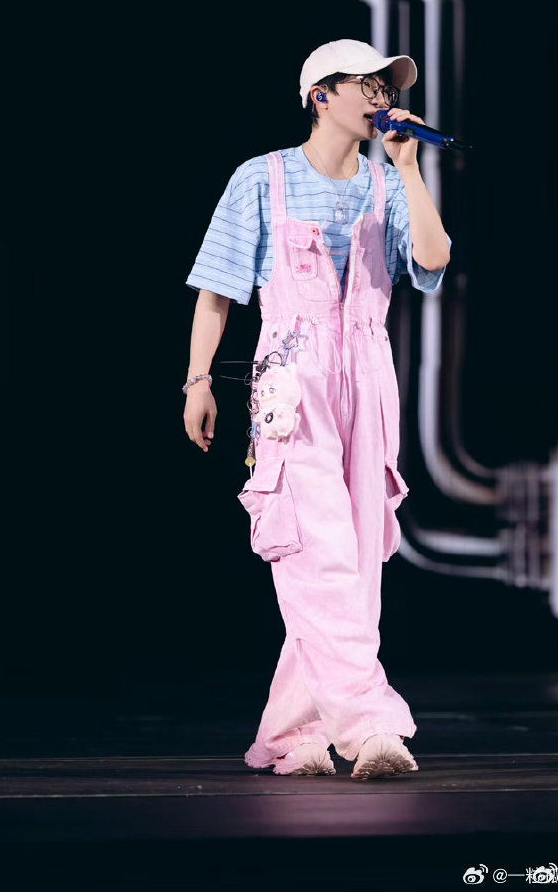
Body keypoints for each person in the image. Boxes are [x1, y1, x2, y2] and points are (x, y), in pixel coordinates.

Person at [183, 39, 451, 779]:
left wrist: (409, 169)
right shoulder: (260, 178)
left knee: (357, 562)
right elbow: (216, 291)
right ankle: (371, 727)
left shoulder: (387, 182)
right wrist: (198, 381)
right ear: (320, 95)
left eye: (386, 86)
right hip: (292, 379)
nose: (380, 97)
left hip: (369, 375)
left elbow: (433, 258)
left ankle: (290, 735)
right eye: (366, 84)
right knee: (317, 548)